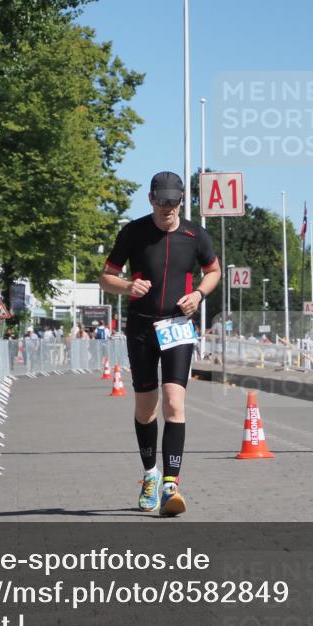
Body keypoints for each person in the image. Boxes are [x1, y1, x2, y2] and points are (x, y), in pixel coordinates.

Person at [99, 171, 221, 516]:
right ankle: (150, 475)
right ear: (150, 199)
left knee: (174, 401)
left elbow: (214, 271)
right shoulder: (133, 232)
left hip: (178, 328)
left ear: (183, 200)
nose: (168, 207)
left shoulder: (195, 235)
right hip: (141, 327)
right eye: (162, 200)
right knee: (146, 408)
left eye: (174, 201)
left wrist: (198, 294)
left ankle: (171, 485)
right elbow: (105, 276)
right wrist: (126, 287)